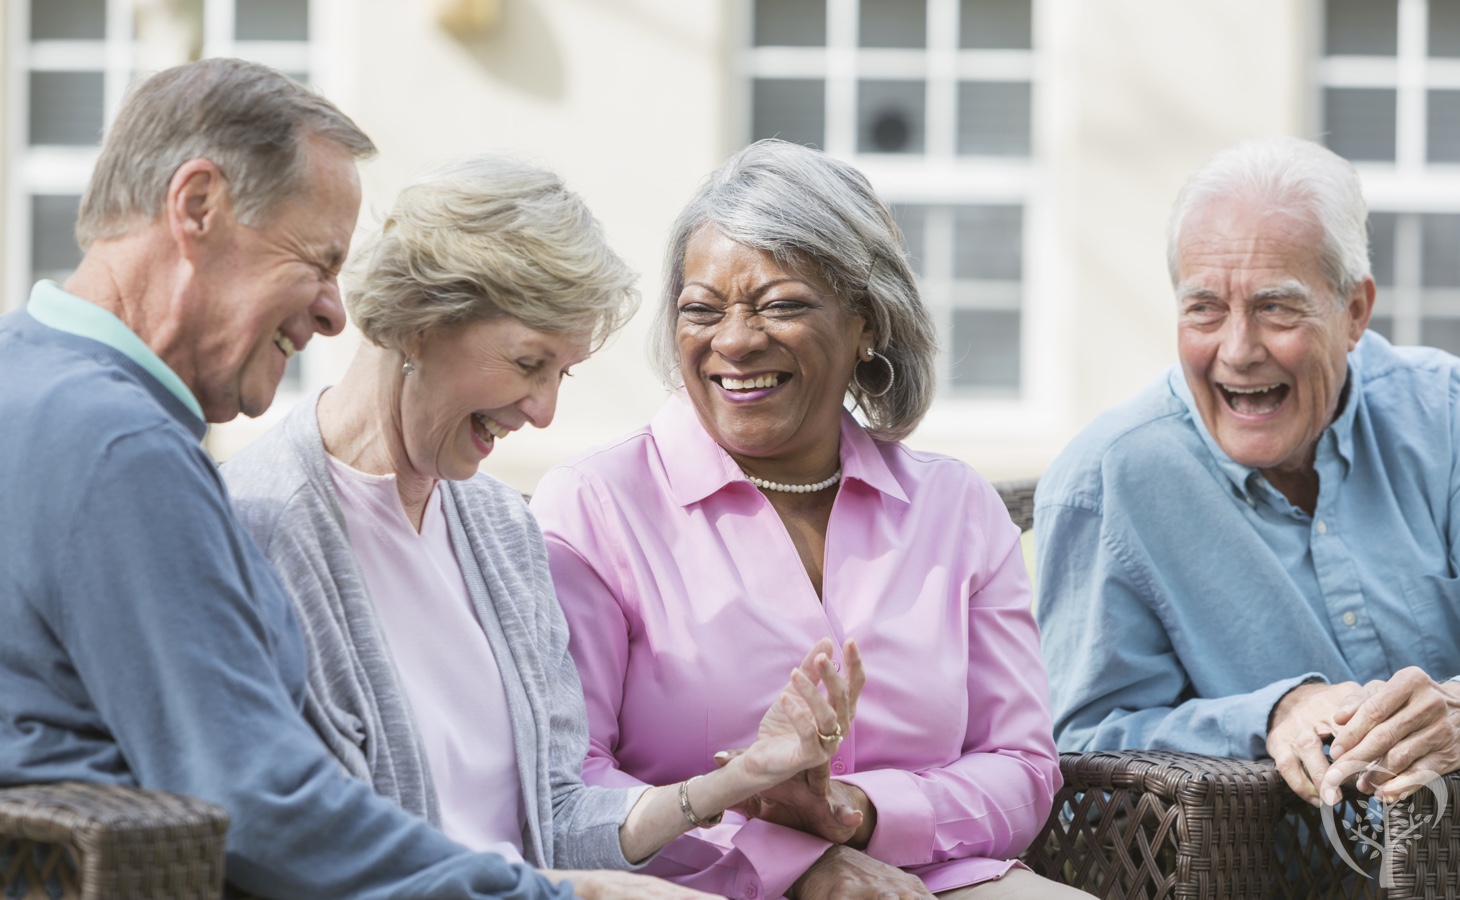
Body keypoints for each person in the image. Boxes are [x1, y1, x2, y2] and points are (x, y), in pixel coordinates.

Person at [3, 57, 587, 899]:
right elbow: (258, 804)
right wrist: (561, 895)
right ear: (197, 206)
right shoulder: (121, 449)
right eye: (318, 260)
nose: (335, 310)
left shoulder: (25, 378)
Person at [221, 154, 863, 900]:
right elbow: (321, 852)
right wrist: (582, 893)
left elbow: (558, 816)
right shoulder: (257, 527)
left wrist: (736, 781)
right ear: (418, 324)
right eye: (529, 362)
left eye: (563, 373)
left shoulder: (498, 526)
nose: (543, 411)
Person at [531, 140, 1082, 900]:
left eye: (781, 304)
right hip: (693, 886)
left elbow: (1022, 767)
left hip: (936, 880)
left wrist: (860, 816)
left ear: (866, 322)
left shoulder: (957, 509)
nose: (734, 340)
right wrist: (793, 865)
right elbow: (572, 789)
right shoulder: (595, 506)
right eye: (701, 309)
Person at [1035, 136, 1460, 810]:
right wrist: (1267, 716)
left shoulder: (1445, 415)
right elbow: (1079, 750)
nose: (1237, 350)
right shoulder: (1105, 484)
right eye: (1204, 308)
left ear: (1354, 312)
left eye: (1275, 307)